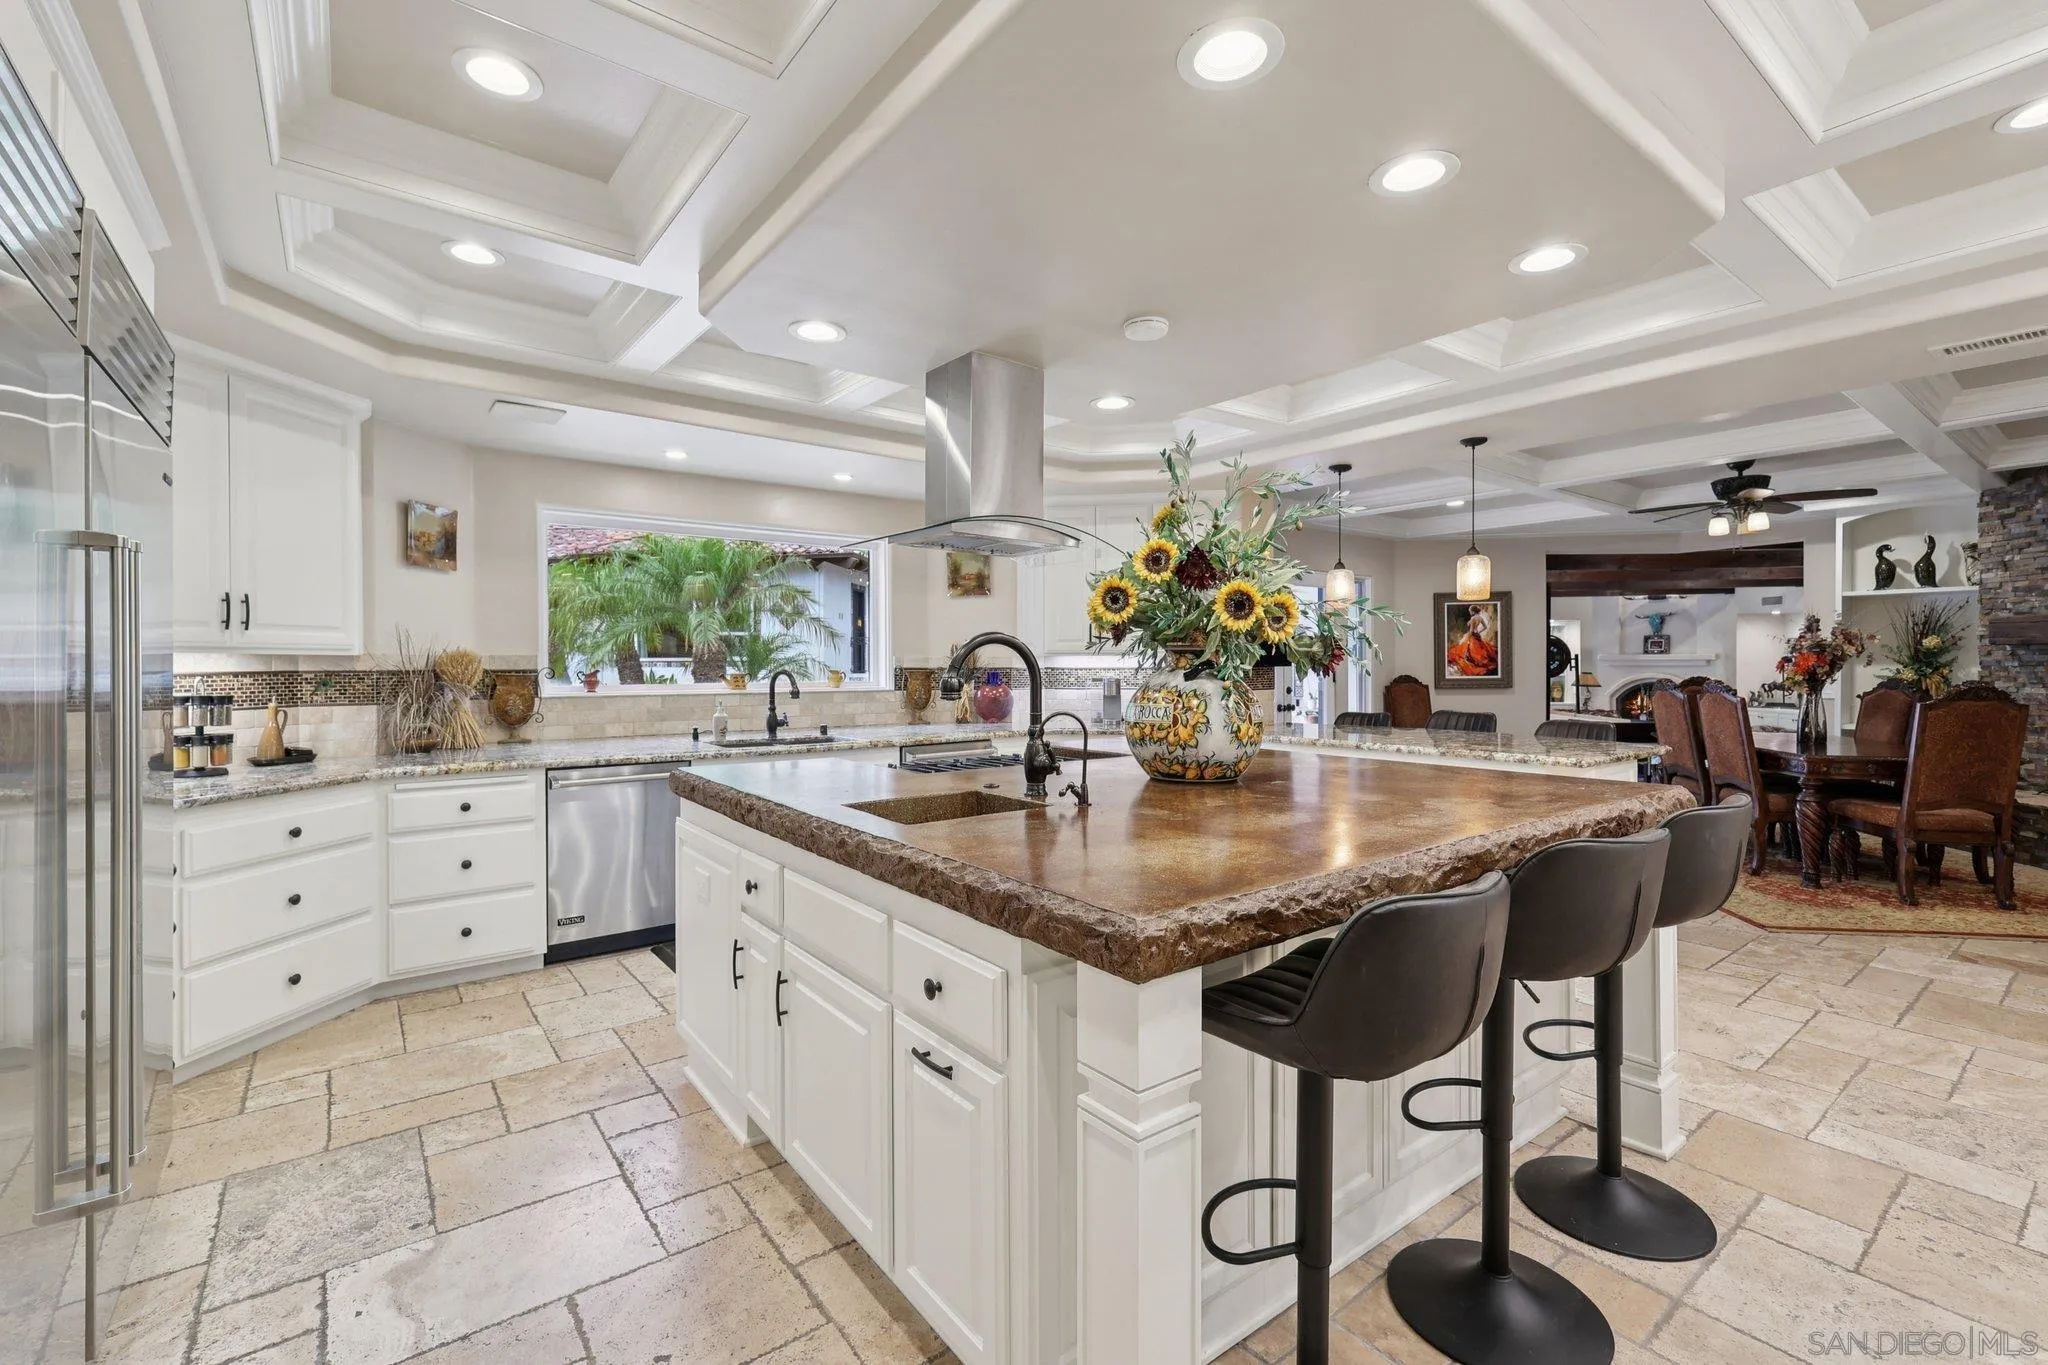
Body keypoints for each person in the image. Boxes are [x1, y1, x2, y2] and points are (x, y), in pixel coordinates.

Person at [1446, 603, 1499, 677]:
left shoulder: (1473, 618)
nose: (1470, 612)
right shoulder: (1480, 618)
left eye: (1470, 611)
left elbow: (1471, 631)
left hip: (1473, 635)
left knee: (1468, 648)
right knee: (1479, 648)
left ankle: (1471, 660)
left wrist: (1468, 636)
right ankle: (1474, 659)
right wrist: (1477, 632)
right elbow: (1485, 627)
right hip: (1477, 634)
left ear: (1473, 611)